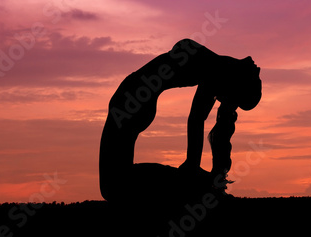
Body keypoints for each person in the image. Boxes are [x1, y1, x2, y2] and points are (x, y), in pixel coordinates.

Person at [99, 39, 262, 203]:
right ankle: (187, 181)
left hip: (132, 96)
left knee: (115, 184)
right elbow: (197, 120)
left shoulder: (219, 68)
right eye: (233, 100)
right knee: (113, 185)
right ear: (236, 89)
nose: (222, 101)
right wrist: (194, 169)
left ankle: (187, 181)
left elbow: (213, 123)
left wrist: (197, 169)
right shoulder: (217, 69)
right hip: (131, 98)